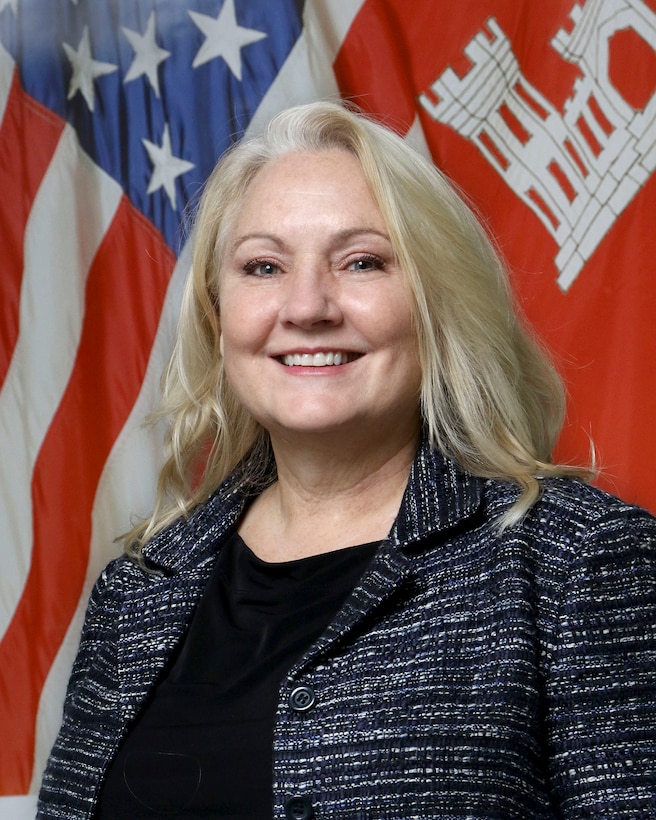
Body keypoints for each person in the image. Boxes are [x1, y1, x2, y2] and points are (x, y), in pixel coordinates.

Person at [38, 100, 656, 819]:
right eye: (263, 266)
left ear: (436, 303)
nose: (306, 306)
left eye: (361, 261)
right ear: (217, 313)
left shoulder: (580, 561)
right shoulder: (136, 593)